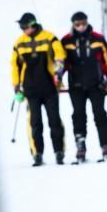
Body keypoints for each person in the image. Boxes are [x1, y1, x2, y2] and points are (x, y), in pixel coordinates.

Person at [10, 12, 68, 166]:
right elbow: (15, 66)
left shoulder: (49, 37)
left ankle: (59, 152)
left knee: (54, 121)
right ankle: (37, 154)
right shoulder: (19, 43)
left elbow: (60, 55)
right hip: (30, 90)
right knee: (35, 123)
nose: (22, 29)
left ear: (32, 24)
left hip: (49, 87)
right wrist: (16, 87)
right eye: (21, 27)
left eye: (24, 26)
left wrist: (58, 72)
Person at [61, 11, 107, 163]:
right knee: (78, 115)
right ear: (73, 25)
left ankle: (105, 145)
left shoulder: (97, 38)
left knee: (100, 114)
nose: (81, 27)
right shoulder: (66, 40)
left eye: (83, 23)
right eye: (77, 24)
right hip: (76, 85)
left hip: (96, 85)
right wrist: (57, 76)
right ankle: (81, 147)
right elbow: (61, 62)